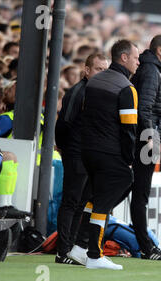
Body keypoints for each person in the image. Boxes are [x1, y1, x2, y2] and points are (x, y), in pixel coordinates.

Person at [80, 39, 139, 270]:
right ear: (123, 58)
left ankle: (79, 244)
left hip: (88, 151)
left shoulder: (94, 82)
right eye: (135, 58)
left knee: (95, 198)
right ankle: (94, 255)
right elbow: (129, 128)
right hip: (109, 152)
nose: (137, 62)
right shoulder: (127, 88)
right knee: (117, 187)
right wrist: (129, 159)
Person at [54, 53, 108, 265]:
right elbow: (63, 124)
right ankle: (62, 251)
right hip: (76, 154)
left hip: (88, 156)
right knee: (70, 202)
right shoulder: (78, 92)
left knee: (80, 204)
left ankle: (73, 249)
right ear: (86, 70)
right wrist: (66, 149)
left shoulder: (96, 92)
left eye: (105, 70)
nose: (102, 74)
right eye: (98, 69)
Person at [128, 34, 161, 261]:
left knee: (131, 191)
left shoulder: (149, 69)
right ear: (159, 51)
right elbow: (145, 107)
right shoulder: (149, 71)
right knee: (140, 194)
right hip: (145, 140)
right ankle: (147, 248)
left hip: (143, 138)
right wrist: (150, 137)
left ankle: (143, 245)